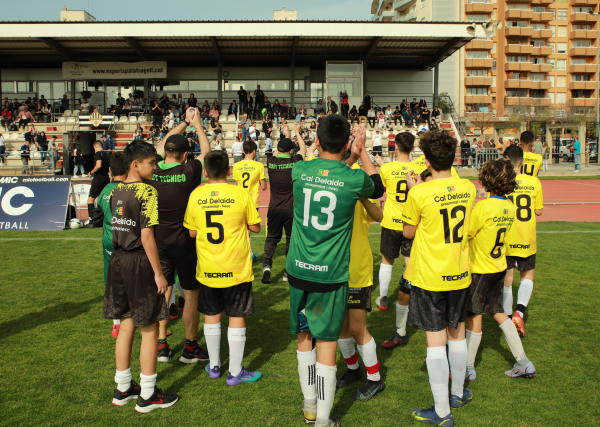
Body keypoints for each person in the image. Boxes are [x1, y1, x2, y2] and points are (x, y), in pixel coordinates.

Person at [286, 119, 384, 427]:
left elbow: (313, 165)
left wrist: (316, 148)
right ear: (345, 144)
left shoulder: (300, 170)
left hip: (299, 268)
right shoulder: (353, 179)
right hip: (330, 274)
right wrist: (361, 148)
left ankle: (310, 405)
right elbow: (377, 188)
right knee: (327, 344)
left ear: (317, 138)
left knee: (305, 337)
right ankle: (323, 421)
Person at [401, 130, 476, 426]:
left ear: (427, 160)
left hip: (430, 276)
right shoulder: (468, 187)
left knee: (435, 342)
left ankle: (443, 412)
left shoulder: (419, 192)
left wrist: (415, 188)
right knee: (456, 334)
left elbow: (408, 232)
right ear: (453, 157)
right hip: (460, 273)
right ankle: (457, 393)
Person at [103, 140, 178, 413]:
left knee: (125, 325)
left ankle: (123, 388)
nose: (155, 168)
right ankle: (148, 394)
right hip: (138, 262)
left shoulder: (116, 191)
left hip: (118, 260)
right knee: (148, 329)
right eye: (151, 163)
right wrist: (158, 273)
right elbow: (147, 238)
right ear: (136, 165)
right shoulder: (147, 192)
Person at [184, 149, 262, 385]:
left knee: (211, 314)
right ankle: (235, 371)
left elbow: (192, 232)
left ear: (205, 172)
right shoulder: (240, 193)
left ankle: (215, 365)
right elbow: (256, 227)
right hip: (236, 267)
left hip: (208, 267)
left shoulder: (196, 195)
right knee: (237, 315)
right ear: (229, 171)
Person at [149, 107, 212, 364]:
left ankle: (162, 344)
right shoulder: (188, 172)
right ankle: (190, 347)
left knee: (163, 290)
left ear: (165, 153)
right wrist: (196, 125)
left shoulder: (153, 172)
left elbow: (163, 143)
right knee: (191, 294)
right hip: (185, 243)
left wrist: (182, 124)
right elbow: (206, 153)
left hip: (158, 243)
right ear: (186, 154)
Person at [465, 158, 537, 381]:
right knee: (497, 312)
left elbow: (467, 233)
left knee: (474, 315)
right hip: (498, 266)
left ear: (486, 180)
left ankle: (468, 367)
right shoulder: (508, 206)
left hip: (480, 268)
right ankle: (524, 361)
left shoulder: (483, 207)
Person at [335, 151, 386, 401]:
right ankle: (353, 369)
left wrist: (362, 196)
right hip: (334, 271)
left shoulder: (357, 192)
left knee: (356, 328)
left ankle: (375, 378)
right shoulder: (332, 190)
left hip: (356, 270)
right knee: (341, 327)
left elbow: (379, 216)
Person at [376, 132, 418, 349]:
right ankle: (411, 295)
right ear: (412, 148)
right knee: (409, 262)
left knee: (387, 260)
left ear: (396, 147)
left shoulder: (386, 169)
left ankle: (383, 298)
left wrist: (383, 164)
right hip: (410, 222)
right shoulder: (417, 168)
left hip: (391, 222)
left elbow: (382, 189)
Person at [502, 146, 544, 337]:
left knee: (508, 280)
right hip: (527, 236)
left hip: (506, 236)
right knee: (527, 276)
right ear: (523, 162)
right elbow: (538, 211)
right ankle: (519, 312)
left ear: (505, 159)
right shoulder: (534, 181)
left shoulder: (501, 181)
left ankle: (509, 317)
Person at [261, 125, 306, 284]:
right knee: (290, 239)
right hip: (290, 209)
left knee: (271, 238)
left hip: (273, 208)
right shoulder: (295, 161)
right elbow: (303, 149)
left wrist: (284, 137)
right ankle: (287, 271)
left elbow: (277, 152)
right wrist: (296, 132)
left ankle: (267, 265)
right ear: (290, 151)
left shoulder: (271, 161)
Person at [97, 153, 128, 337]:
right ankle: (135, 318)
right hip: (127, 238)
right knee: (133, 278)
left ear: (110, 170)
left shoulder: (105, 190)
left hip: (109, 240)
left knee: (112, 279)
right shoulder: (129, 189)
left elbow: (101, 206)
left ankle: (116, 323)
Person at [232, 140, 267, 260]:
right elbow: (263, 187)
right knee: (249, 230)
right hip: (252, 201)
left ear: (243, 151)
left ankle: (249, 253)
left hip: (239, 200)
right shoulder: (259, 166)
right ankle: (244, 255)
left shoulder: (236, 165)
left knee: (241, 228)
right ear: (254, 151)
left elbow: (237, 184)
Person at [85, 140, 111, 223]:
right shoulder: (106, 155)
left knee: (90, 199)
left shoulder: (98, 154)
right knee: (102, 199)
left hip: (99, 178)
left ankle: (92, 219)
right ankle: (102, 218)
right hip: (106, 178)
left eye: (94, 148)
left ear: (96, 147)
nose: (94, 150)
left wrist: (91, 172)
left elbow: (98, 165)